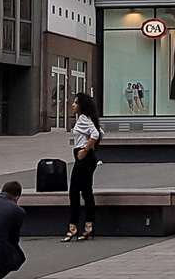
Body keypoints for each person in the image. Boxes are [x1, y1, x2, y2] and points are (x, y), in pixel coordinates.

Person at [65, 93, 102, 241]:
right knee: (86, 191)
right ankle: (89, 225)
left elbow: (96, 134)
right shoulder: (88, 119)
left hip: (84, 158)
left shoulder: (82, 119)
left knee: (74, 190)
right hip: (89, 158)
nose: (73, 105)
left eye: (76, 103)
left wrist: (85, 150)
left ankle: (73, 226)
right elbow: (100, 133)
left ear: (82, 105)